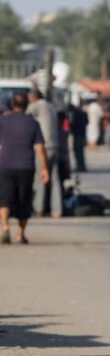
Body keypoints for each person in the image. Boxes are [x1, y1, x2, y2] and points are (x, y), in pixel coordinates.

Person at [0, 93, 50, 244]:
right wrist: (45, 169)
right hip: (26, 167)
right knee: (24, 200)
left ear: (11, 104)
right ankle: (20, 234)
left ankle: (6, 228)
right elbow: (40, 148)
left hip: (5, 165)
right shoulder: (33, 123)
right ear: (26, 106)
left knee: (4, 199)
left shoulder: (2, 121)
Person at [26, 89, 62, 217]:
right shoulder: (51, 106)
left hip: (43, 146)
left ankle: (39, 209)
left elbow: (23, 118)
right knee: (54, 178)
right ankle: (57, 210)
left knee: (41, 176)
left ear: (33, 97)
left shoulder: (36, 106)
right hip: (55, 145)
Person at [68, 103, 88, 172]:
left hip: (77, 134)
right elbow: (87, 122)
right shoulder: (83, 113)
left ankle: (80, 167)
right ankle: (81, 166)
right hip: (82, 133)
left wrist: (71, 129)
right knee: (80, 152)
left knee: (78, 151)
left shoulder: (75, 114)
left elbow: (73, 124)